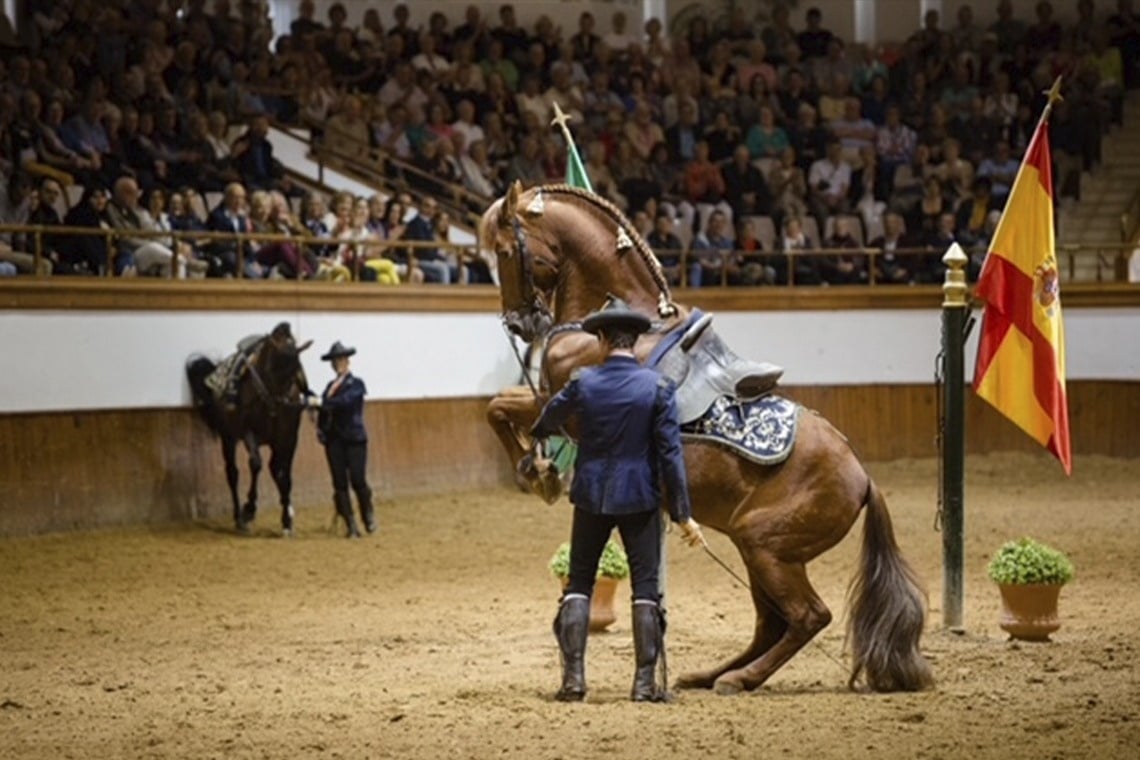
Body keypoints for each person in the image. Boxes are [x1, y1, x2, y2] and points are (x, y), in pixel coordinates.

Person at [529, 297, 706, 703]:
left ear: (604, 339)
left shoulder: (583, 382)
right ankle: (644, 685)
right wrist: (683, 515)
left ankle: (573, 681)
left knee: (578, 585)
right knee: (646, 588)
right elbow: (670, 456)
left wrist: (553, 421)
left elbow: (546, 421)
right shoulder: (658, 388)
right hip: (640, 497)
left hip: (591, 494)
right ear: (635, 341)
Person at [309, 341, 376, 539]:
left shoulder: (356, 385)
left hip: (354, 439)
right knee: (339, 483)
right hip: (335, 440)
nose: (338, 363)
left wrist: (322, 402)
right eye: (335, 361)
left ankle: (367, 513)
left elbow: (344, 403)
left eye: (341, 359)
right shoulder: (329, 388)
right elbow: (324, 410)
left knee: (357, 479)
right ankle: (351, 524)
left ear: (347, 361)